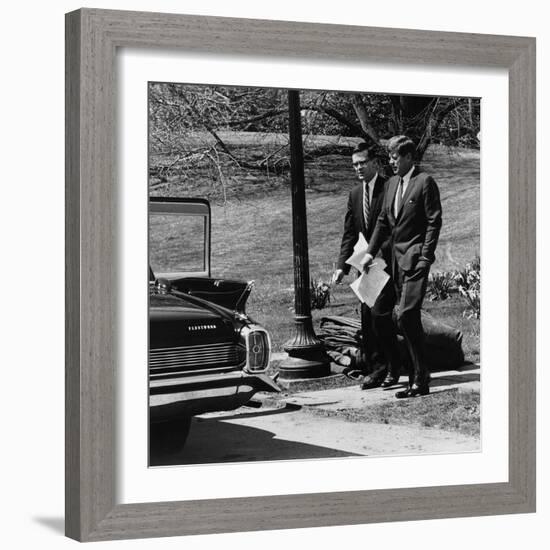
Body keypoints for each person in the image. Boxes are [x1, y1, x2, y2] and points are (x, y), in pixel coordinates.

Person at [361, 135, 442, 398]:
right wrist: (369, 253)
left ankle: (420, 378)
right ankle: (400, 367)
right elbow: (383, 222)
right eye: (390, 157)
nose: (392, 162)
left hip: (415, 261)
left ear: (409, 157)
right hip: (393, 263)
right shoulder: (393, 184)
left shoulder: (424, 182)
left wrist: (425, 256)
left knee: (406, 315)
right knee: (381, 314)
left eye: (396, 157)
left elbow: (434, 221)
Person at [332, 142, 396, 390]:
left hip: (385, 264)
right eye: (354, 164)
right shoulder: (355, 194)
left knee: (380, 316)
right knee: (369, 320)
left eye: (362, 163)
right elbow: (350, 233)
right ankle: (378, 369)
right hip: (364, 267)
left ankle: (389, 368)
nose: (358, 168)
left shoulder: (389, 187)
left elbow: (393, 226)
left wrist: (379, 254)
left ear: (374, 163)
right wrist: (341, 266)